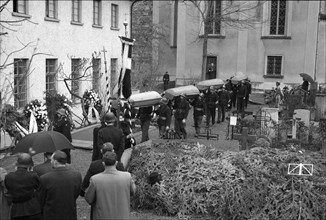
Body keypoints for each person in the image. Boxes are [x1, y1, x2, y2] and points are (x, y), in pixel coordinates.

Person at [85, 150, 136, 220]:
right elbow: (133, 191)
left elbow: (89, 199)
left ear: (103, 164)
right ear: (116, 163)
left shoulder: (95, 180)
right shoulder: (127, 176)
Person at [40, 150, 82, 220]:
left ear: (55, 162)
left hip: (51, 214)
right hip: (69, 213)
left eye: (51, 160)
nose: (50, 162)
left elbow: (41, 199)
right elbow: (76, 193)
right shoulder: (77, 175)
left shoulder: (45, 178)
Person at [4, 153, 42, 220]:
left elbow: (8, 191)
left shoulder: (8, 177)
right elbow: (40, 189)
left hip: (16, 211)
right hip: (33, 209)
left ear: (17, 164)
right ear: (30, 165)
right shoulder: (33, 176)